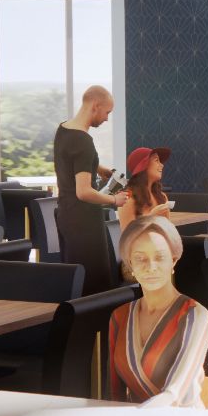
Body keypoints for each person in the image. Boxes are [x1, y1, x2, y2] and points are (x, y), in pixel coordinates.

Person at [106, 215, 208, 408]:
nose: (151, 267)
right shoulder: (119, 316)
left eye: (160, 257)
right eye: (140, 259)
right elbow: (114, 394)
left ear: (173, 261)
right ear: (130, 264)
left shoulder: (196, 315)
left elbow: (176, 391)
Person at [54, 86, 129, 294]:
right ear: (95, 106)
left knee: (75, 281)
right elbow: (84, 192)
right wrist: (114, 201)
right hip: (84, 222)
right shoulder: (83, 141)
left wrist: (100, 168)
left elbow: (73, 159)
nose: (106, 119)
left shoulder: (64, 130)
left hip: (65, 215)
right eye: (107, 113)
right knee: (95, 285)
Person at [119, 146, 171, 229]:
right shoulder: (126, 198)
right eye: (156, 160)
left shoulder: (162, 196)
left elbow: (167, 231)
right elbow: (127, 238)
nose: (162, 165)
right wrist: (151, 217)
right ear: (144, 166)